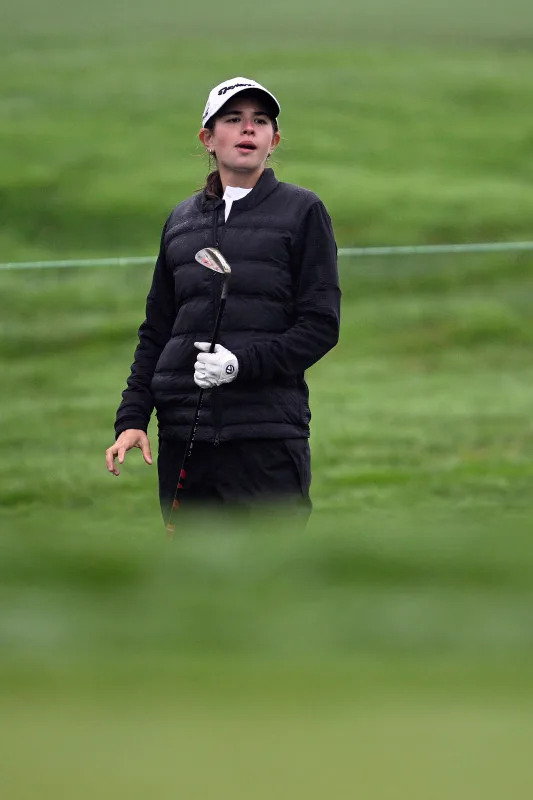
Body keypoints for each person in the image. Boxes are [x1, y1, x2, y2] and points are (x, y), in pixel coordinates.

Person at [105, 76, 341, 525]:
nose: (248, 129)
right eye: (233, 119)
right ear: (208, 139)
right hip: (184, 439)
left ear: (273, 141)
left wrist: (239, 365)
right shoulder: (181, 221)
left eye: (261, 121)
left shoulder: (302, 211)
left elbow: (320, 327)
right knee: (195, 568)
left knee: (271, 566)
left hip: (266, 436)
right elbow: (157, 331)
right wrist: (133, 417)